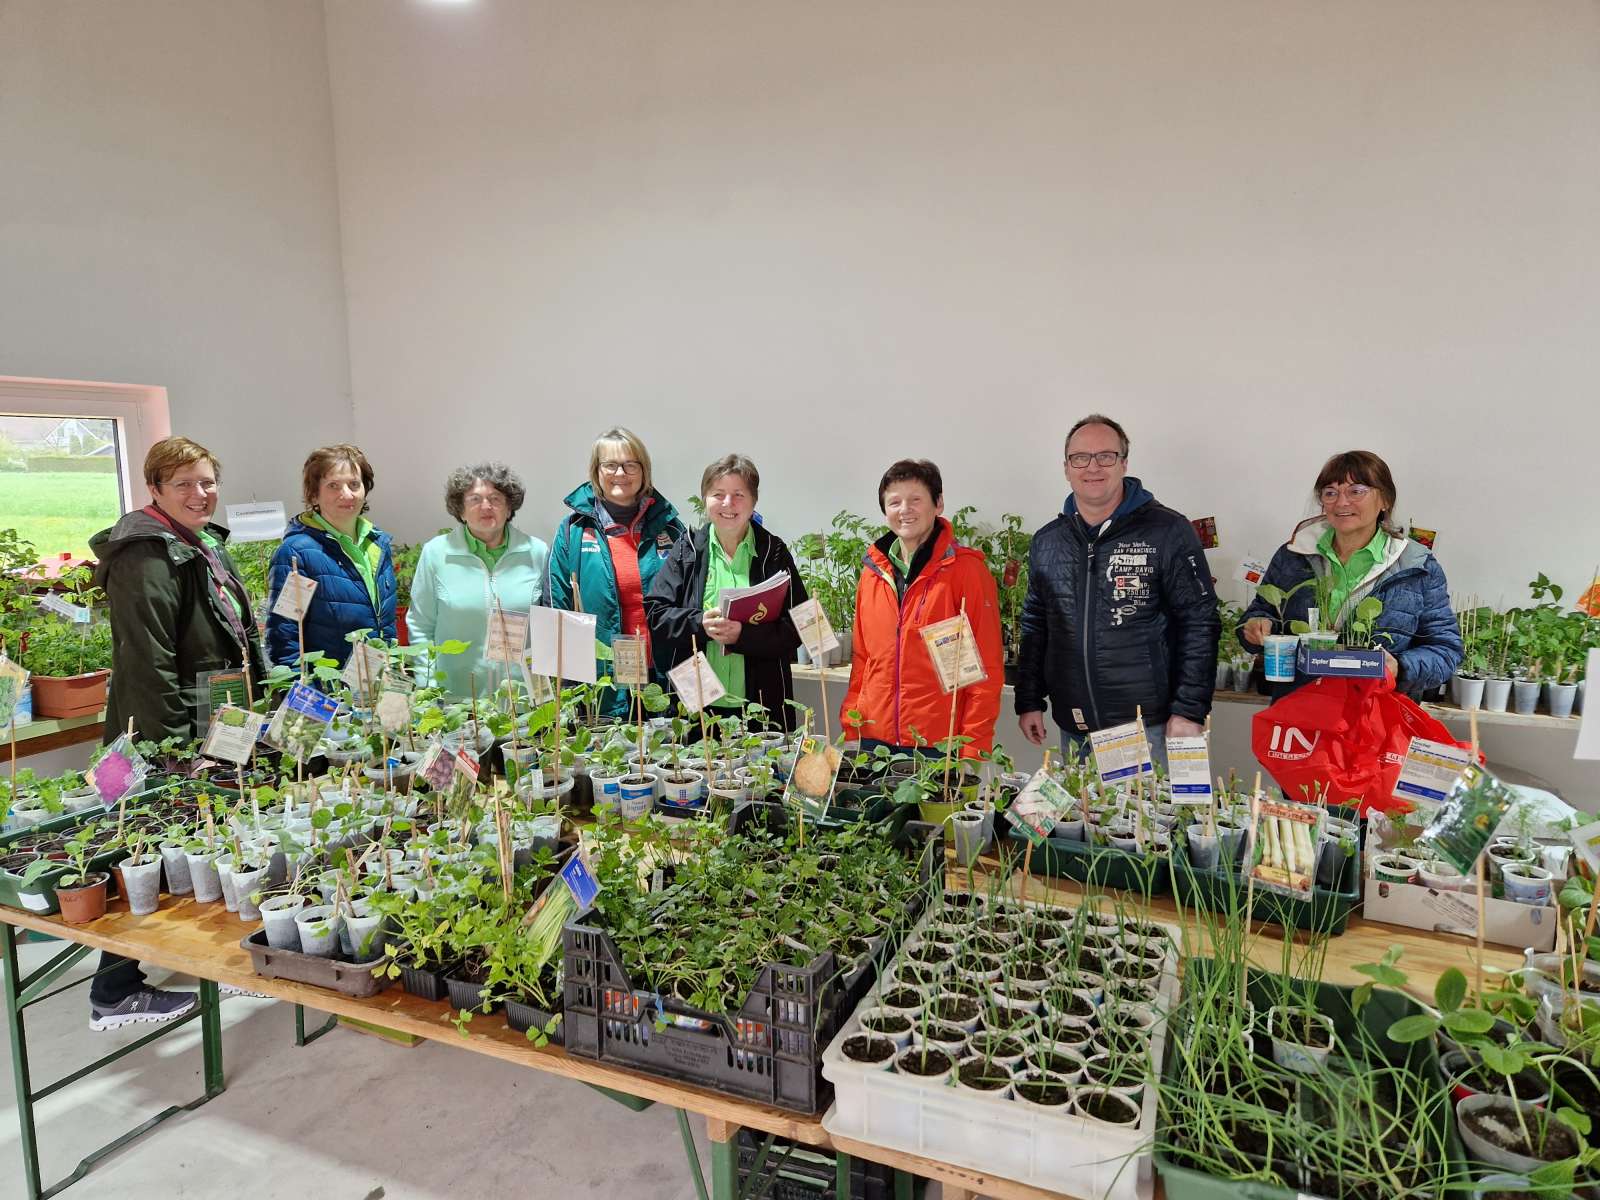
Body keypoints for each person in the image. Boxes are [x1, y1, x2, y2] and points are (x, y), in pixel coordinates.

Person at [87, 436, 268, 1031]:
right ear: (156, 490)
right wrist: (176, 753)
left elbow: (235, 632)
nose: (200, 493)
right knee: (143, 847)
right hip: (163, 730)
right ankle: (114, 989)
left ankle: (214, 959)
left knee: (202, 846)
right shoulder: (144, 555)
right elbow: (148, 661)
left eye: (207, 481)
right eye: (184, 484)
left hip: (214, 718)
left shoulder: (200, 543)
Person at [1015, 414, 1219, 767]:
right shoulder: (1048, 541)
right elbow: (1036, 624)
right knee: (1080, 805)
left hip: (1147, 729)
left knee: (1145, 808)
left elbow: (1199, 621)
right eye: (1081, 458)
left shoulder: (1167, 530)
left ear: (1124, 463)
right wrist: (1029, 699)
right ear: (1066, 468)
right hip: (1075, 727)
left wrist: (1189, 710)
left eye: (1105, 456)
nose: (1093, 467)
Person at [1239, 450, 1462, 697]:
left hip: (1376, 710)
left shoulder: (1417, 566)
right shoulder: (1293, 554)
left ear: (1385, 500)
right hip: (1300, 706)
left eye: (1356, 491)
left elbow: (1446, 650)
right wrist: (1255, 626)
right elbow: (1260, 612)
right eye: (1330, 493)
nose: (1341, 502)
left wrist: (1399, 668)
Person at [839, 459, 1003, 758]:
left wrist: (972, 747)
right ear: (885, 511)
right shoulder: (872, 573)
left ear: (938, 504)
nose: (905, 510)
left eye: (916, 499)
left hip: (938, 744)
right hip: (874, 739)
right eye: (894, 502)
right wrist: (853, 726)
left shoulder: (966, 570)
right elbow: (862, 660)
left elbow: (985, 668)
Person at [645, 455, 807, 729]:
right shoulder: (687, 549)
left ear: (753, 501)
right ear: (705, 500)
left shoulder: (774, 552)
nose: (728, 503)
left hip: (761, 705)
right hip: (697, 708)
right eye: (718, 494)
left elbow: (798, 626)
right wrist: (700, 623)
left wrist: (743, 635)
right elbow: (655, 614)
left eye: (738, 495)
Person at [549, 427, 684, 715]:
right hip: (602, 680)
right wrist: (566, 687)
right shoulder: (573, 530)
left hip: (664, 675)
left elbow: (690, 603)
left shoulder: (671, 528)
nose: (620, 473)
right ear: (596, 471)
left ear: (644, 471)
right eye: (610, 464)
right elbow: (557, 606)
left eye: (630, 464)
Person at [406, 462, 550, 699]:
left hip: (523, 700)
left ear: (509, 508)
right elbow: (420, 626)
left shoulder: (537, 552)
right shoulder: (436, 554)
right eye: (475, 499)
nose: (486, 506)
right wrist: (428, 688)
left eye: (495, 498)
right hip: (457, 700)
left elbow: (549, 629)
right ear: (461, 510)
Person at [266, 444, 397, 669]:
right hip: (328, 687)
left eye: (354, 484)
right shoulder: (297, 554)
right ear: (314, 495)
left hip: (375, 681)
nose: (346, 494)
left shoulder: (377, 545)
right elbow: (284, 637)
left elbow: (387, 624)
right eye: (333, 486)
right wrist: (306, 688)